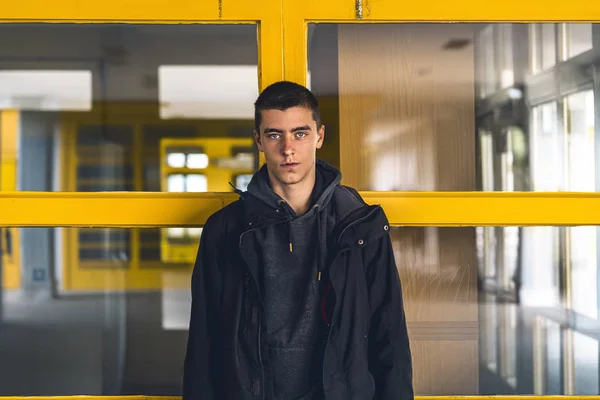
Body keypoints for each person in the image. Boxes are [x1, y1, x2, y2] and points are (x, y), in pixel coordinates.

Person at [183, 81, 413, 400]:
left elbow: (388, 336)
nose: (288, 148)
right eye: (275, 134)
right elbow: (203, 343)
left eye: (300, 133)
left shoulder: (361, 226)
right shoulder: (225, 230)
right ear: (259, 141)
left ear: (319, 136)